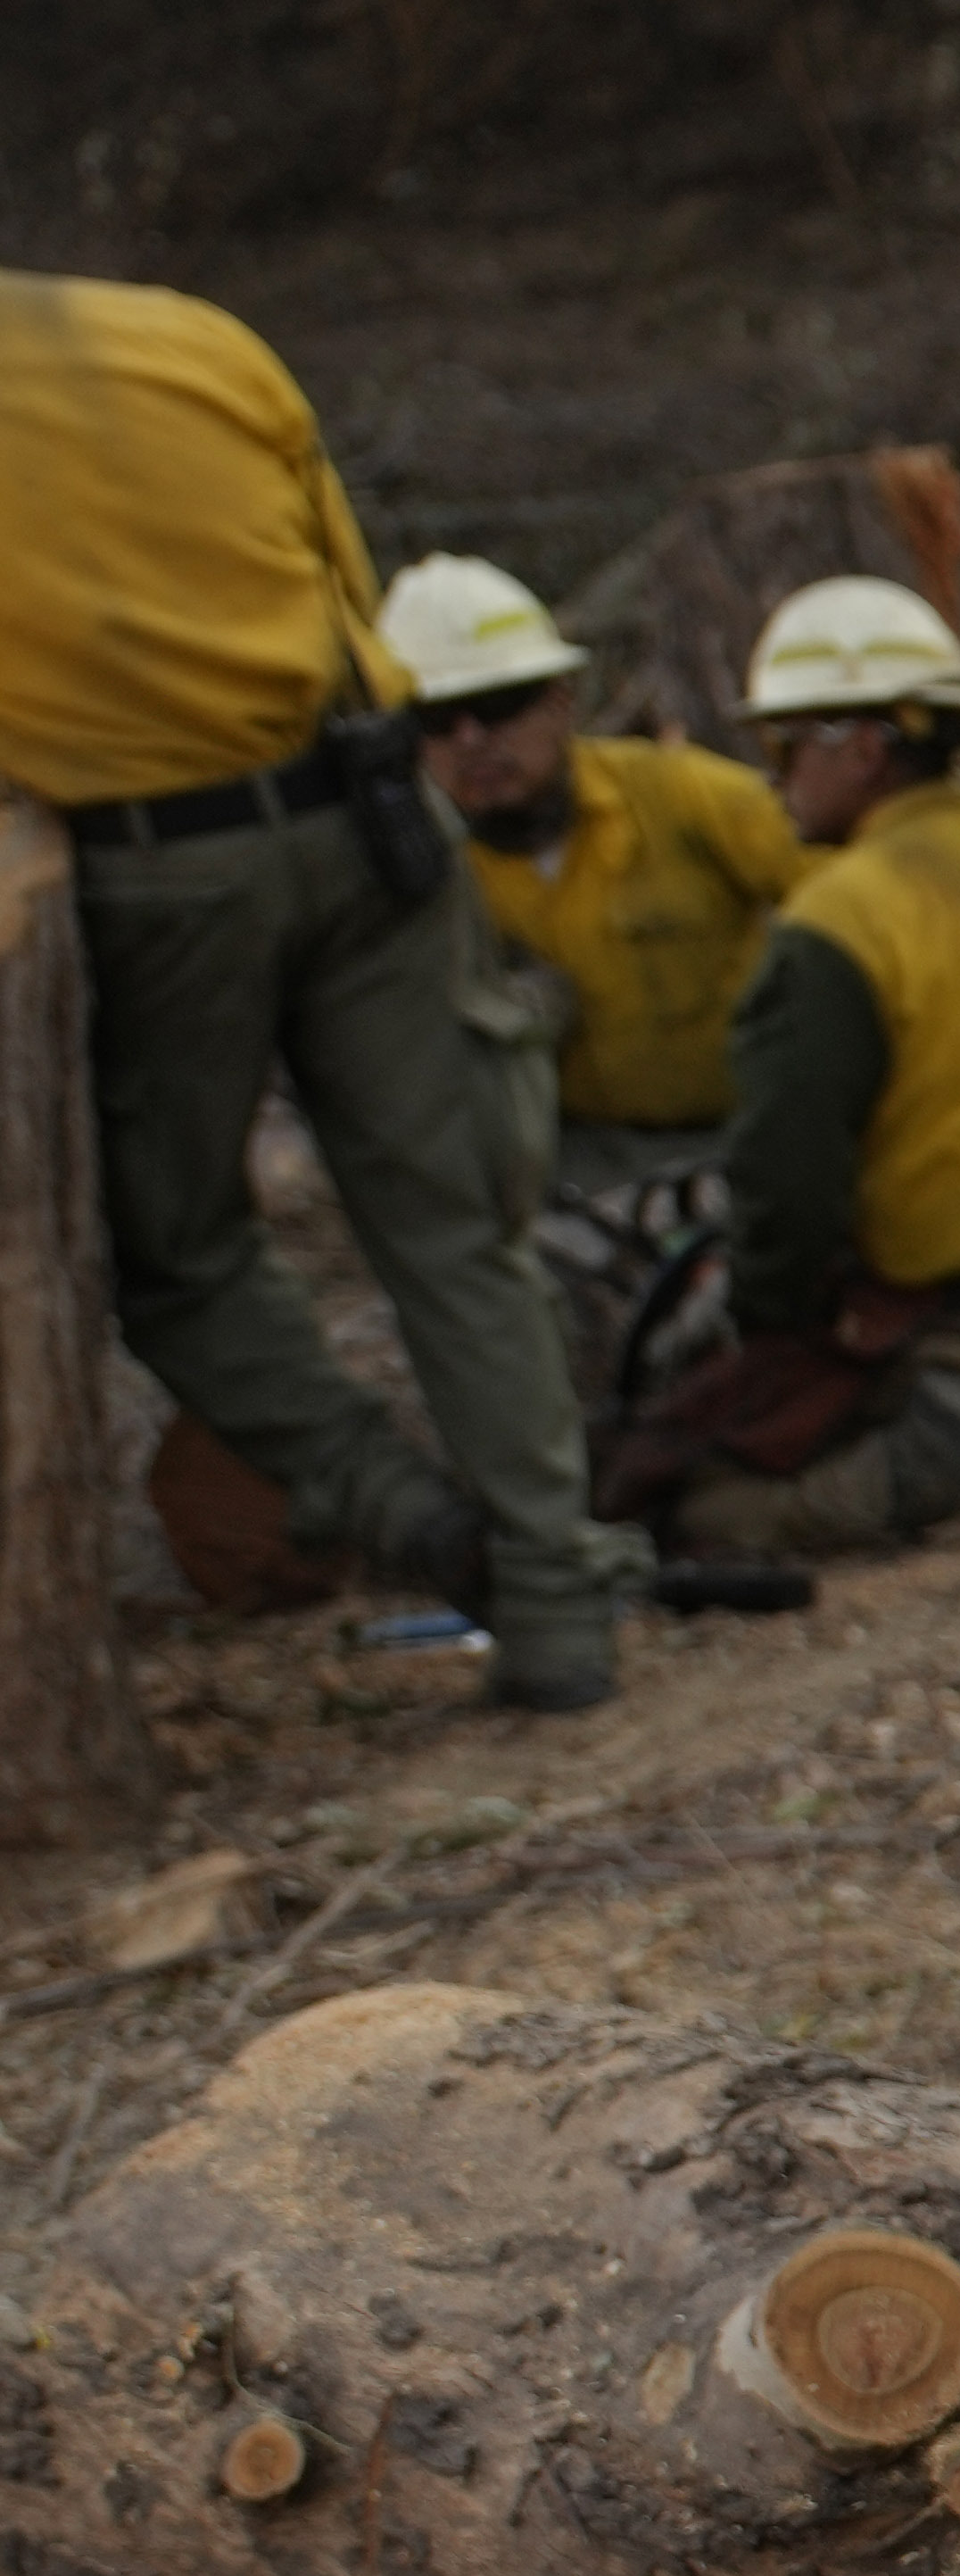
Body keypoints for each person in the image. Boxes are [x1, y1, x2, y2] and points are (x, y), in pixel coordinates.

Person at [1, 270, 642, 1711]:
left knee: (175, 1257)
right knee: (455, 1231)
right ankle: (556, 1607)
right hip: (364, 820)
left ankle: (406, 1516)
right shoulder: (189, 336)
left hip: (152, 869)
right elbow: (352, 599)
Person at [618, 580, 960, 1559]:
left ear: (862, 747)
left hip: (949, 1306)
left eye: (787, 746)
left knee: (685, 1502)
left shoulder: (842, 925)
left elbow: (786, 1180)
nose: (775, 775)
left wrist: (766, 1327)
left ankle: (926, 1462)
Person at [389, 552, 801, 1203]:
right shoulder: (421, 878)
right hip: (574, 1175)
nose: (469, 740)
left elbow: (856, 891)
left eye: (496, 705)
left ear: (561, 702)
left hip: (751, 1136)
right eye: (435, 721)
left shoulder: (678, 795)